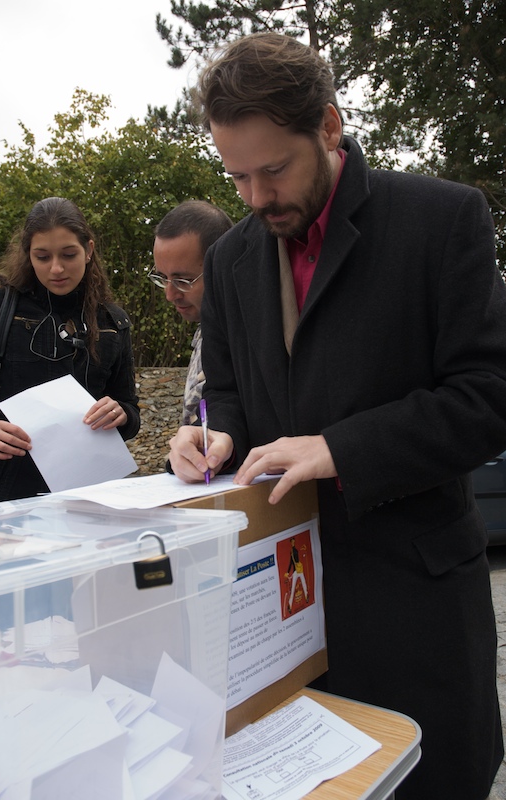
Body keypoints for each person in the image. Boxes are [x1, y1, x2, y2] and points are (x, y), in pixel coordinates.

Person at [168, 33, 506, 800]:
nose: (255, 199)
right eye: (236, 176)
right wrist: (212, 431)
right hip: (275, 627)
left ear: (327, 126)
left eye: (273, 171)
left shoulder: (441, 219)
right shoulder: (229, 262)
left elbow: (489, 394)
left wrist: (341, 448)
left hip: (412, 612)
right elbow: (226, 393)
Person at [0, 197, 140, 504]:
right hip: (4, 499)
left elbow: (130, 410)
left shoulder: (113, 322)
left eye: (68, 254)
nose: (56, 268)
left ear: (89, 251)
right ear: (28, 255)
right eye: (42, 256)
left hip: (88, 497)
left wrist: (121, 414)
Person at [150, 200, 233, 423]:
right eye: (163, 278)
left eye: (183, 280)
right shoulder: (205, 329)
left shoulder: (246, 343)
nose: (169, 294)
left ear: (221, 268)